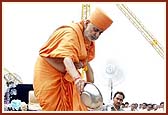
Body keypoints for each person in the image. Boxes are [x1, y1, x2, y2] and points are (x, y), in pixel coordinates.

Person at [33, 7, 113, 111]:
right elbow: (67, 59)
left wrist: (85, 75)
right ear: (87, 23)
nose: (97, 35)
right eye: (95, 30)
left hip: (69, 77)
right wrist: (77, 78)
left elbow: (90, 76)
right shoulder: (71, 33)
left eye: (100, 33)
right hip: (50, 76)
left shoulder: (88, 42)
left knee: (77, 107)